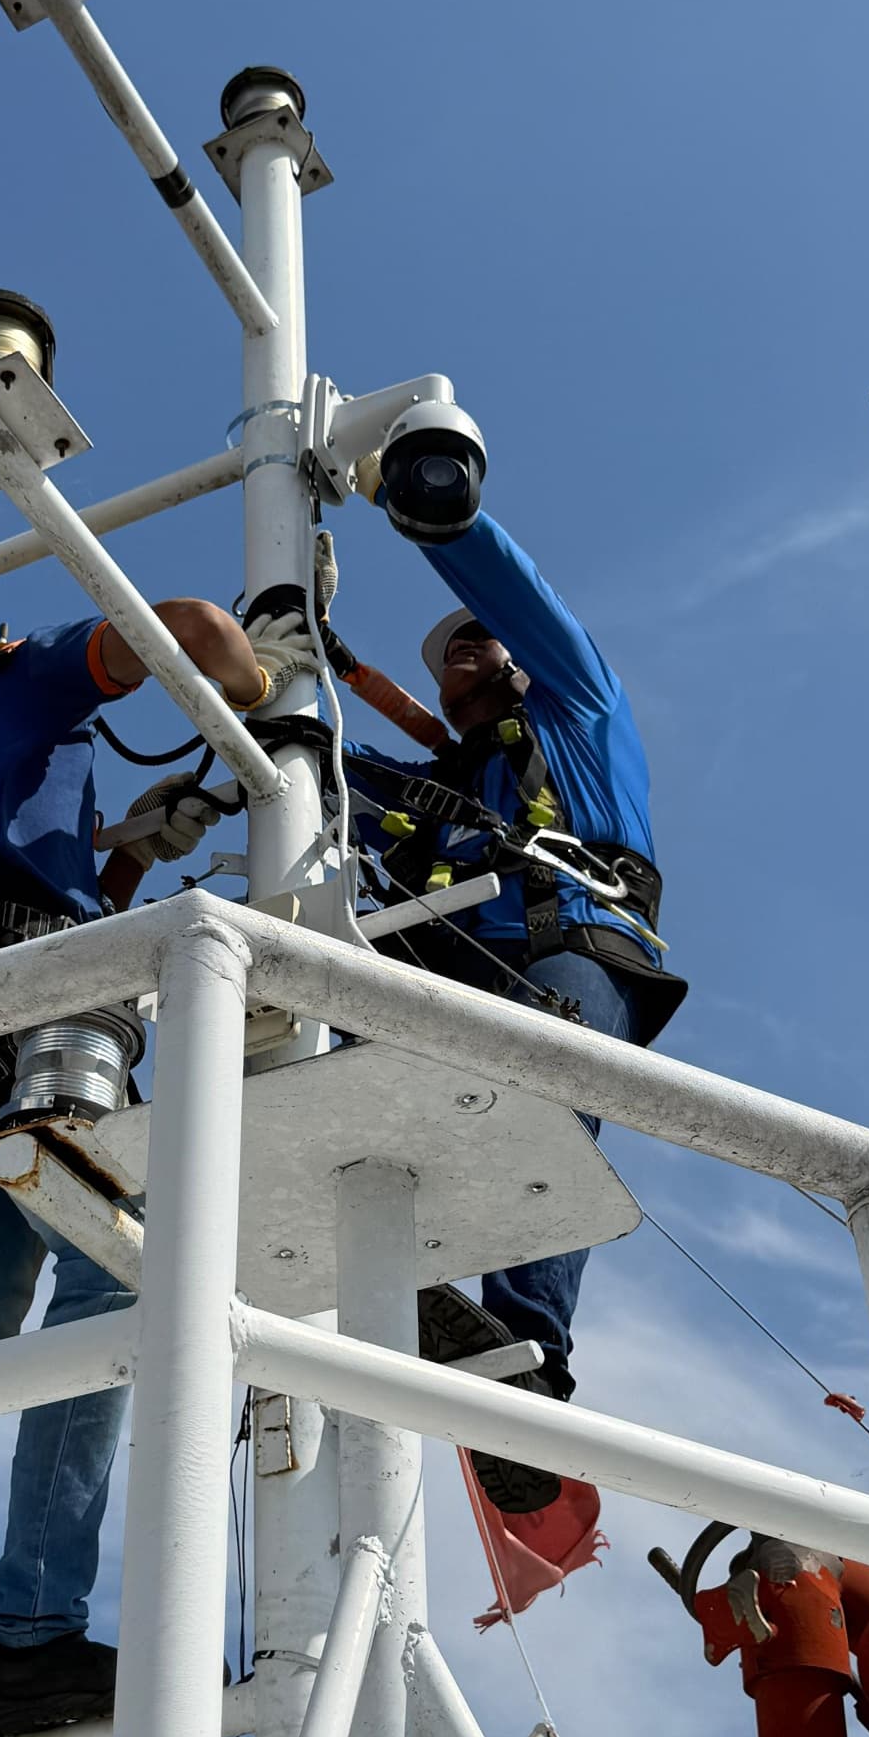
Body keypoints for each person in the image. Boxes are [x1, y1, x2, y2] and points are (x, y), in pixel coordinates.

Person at [0, 601, 313, 1737]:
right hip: (31, 1028)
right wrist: (250, 697)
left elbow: (40, 886)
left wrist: (136, 846)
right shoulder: (22, 682)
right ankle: (34, 1636)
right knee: (112, 1285)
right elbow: (180, 624)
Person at [341, 503, 686, 1513]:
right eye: (454, 655)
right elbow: (301, 764)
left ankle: (528, 1361)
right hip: (445, 975)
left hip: (568, 946)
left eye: (482, 640)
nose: (474, 652)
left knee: (545, 1109)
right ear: (439, 696)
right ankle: (394, 1282)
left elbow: (520, 602)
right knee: (337, 1078)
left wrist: (441, 515)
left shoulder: (582, 711)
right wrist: (277, 666)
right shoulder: (422, 788)